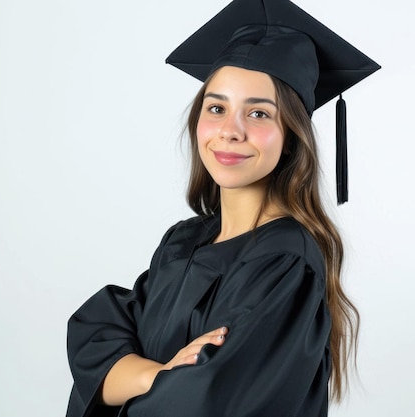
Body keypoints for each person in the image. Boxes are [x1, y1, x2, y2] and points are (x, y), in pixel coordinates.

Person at [65, 0, 379, 416]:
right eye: (217, 108)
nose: (231, 131)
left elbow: (205, 401)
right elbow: (96, 337)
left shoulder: (286, 263)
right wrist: (158, 376)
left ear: (292, 135)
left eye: (259, 113)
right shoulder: (183, 240)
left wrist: (138, 374)